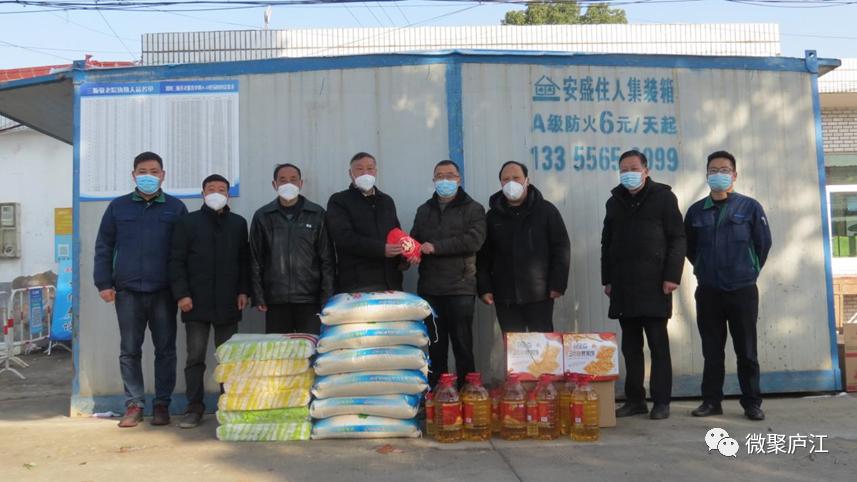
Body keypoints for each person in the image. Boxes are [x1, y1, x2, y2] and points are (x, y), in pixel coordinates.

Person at [93, 151, 188, 428]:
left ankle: (162, 405)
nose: (149, 176)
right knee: (130, 351)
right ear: (133, 175)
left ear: (163, 175)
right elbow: (104, 246)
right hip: (128, 292)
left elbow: (184, 252)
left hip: (164, 292)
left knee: (165, 351)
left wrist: (182, 290)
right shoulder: (118, 207)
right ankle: (134, 405)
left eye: (154, 171)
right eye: (143, 172)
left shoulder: (175, 208)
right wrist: (104, 283)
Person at [685, 151, 772, 421]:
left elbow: (763, 244)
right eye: (713, 170)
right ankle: (712, 401)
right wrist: (703, 267)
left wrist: (749, 269)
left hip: (742, 290)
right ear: (706, 175)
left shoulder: (750, 207)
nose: (718, 174)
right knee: (712, 351)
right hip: (709, 290)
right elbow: (689, 247)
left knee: (746, 351)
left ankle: (752, 403)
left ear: (734, 175)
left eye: (724, 170)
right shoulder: (696, 211)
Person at [601, 149, 686, 421]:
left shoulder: (664, 197)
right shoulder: (614, 202)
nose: (628, 173)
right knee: (631, 348)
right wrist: (607, 279)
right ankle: (635, 400)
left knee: (658, 346)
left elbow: (678, 238)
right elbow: (607, 243)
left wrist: (672, 276)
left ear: (646, 171)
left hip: (655, 284)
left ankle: (661, 401)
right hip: (623, 286)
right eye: (624, 169)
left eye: (634, 168)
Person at [169, 174, 249, 428]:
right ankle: (194, 408)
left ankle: (229, 404)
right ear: (203, 193)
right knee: (195, 357)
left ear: (228, 195)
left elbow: (244, 261)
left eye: (222, 189)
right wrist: (182, 294)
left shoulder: (238, 223)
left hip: (228, 302)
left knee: (229, 357)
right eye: (211, 189)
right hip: (195, 302)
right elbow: (176, 261)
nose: (216, 193)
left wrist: (243, 291)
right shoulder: (187, 222)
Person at [411, 160, 486, 388]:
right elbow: (415, 240)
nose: (445, 180)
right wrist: (408, 255)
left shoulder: (474, 209)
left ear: (459, 179)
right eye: (440, 175)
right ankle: (438, 392)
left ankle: (467, 391)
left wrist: (436, 247)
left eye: (450, 175)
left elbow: (474, 240)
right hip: (430, 289)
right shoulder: (424, 210)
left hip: (460, 288)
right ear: (434, 180)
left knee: (463, 346)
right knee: (435, 346)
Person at [477, 161, 570, 333]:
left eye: (516, 178)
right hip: (505, 295)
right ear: (500, 183)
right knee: (513, 345)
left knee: (542, 345)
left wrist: (558, 283)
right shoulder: (492, 217)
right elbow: (483, 256)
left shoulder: (546, 211)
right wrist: (484, 288)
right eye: (506, 179)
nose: (511, 183)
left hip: (540, 294)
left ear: (527, 180)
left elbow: (561, 247)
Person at [249, 163, 334, 334]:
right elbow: (255, 259)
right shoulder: (262, 216)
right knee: (278, 348)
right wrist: (258, 295)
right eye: (283, 180)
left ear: (301, 183)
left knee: (310, 346)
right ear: (274, 184)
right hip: (276, 299)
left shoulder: (317, 214)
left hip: (310, 299)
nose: (288, 184)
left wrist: (327, 296)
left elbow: (327, 259)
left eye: (293, 179)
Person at [326, 152, 404, 293]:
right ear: (351, 173)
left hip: (391, 282)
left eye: (370, 168)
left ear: (376, 171)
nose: (365, 173)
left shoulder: (386, 201)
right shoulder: (339, 200)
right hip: (357, 284)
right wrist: (381, 249)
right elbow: (343, 237)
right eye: (359, 169)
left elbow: (397, 233)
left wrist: (406, 255)